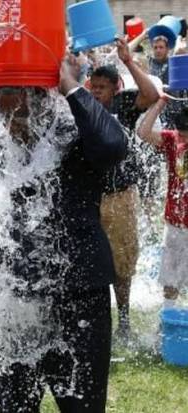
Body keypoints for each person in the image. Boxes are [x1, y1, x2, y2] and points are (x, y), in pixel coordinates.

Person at [0, 55, 127, 413]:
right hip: (14, 299)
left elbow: (112, 147)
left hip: (77, 298)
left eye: (18, 109)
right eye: (1, 107)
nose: (9, 120)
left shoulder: (73, 132)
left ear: (43, 101)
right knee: (13, 406)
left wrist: (68, 84)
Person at [87, 38, 160, 340]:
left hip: (121, 196)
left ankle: (125, 320)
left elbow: (153, 95)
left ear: (115, 88)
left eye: (101, 88)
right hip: (90, 198)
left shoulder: (124, 105)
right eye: (93, 87)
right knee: (92, 260)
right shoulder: (83, 107)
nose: (96, 92)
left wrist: (128, 61)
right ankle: (97, 320)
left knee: (122, 261)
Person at [137, 98, 188, 310]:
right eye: (182, 134)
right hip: (175, 222)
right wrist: (160, 104)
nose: (183, 139)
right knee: (170, 278)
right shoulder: (171, 140)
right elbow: (143, 133)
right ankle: (167, 319)